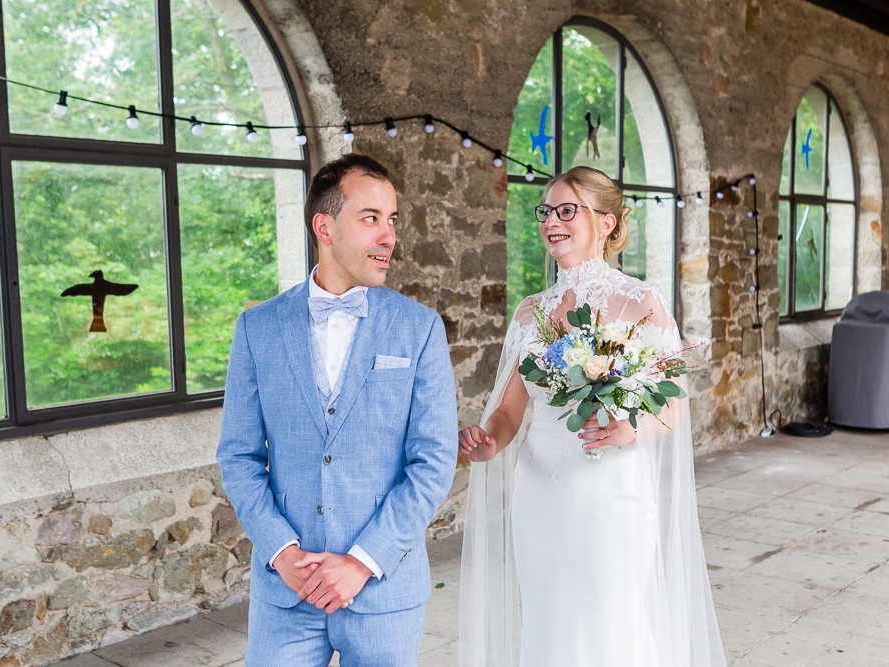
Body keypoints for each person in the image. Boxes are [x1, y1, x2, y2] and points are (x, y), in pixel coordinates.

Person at [457, 166, 726, 667]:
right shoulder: (529, 313)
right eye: (546, 212)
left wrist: (631, 430)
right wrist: (489, 442)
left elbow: (674, 408)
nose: (551, 222)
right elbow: (510, 412)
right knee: (549, 621)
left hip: (612, 496)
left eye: (566, 210)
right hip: (540, 496)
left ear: (605, 224)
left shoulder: (640, 303)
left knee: (610, 623)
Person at [217, 153, 458, 667]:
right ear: (324, 227)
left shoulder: (420, 329)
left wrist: (361, 562)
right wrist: (282, 553)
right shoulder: (256, 329)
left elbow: (433, 463)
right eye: (370, 218)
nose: (389, 235)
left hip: (384, 591)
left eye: (391, 220)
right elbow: (238, 457)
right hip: (287, 593)